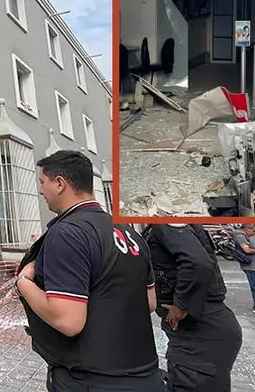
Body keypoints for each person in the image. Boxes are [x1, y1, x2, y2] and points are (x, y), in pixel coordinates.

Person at [16, 150, 163, 392]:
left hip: (92, 378)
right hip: (144, 374)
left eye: (42, 182)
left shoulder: (67, 233)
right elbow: (149, 302)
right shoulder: (129, 233)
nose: (40, 191)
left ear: (60, 183)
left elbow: (68, 320)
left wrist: (23, 283)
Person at [144, 223, 243, 391]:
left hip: (201, 333)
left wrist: (181, 305)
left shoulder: (167, 223)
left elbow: (198, 263)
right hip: (201, 330)